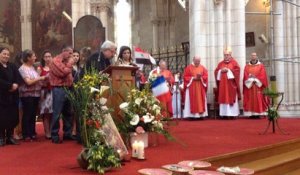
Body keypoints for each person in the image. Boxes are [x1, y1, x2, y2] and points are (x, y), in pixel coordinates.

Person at [49, 46, 75, 144]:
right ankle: (54, 135)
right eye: (70, 53)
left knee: (69, 112)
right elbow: (63, 73)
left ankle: (67, 133)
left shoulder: (67, 62)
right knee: (57, 113)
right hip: (59, 89)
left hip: (69, 88)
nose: (71, 56)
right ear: (63, 52)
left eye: (72, 53)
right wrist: (70, 64)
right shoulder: (55, 61)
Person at [19, 49, 45, 141]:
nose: (35, 58)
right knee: (27, 114)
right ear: (28, 57)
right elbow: (28, 82)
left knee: (33, 114)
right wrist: (40, 78)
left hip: (35, 94)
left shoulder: (32, 68)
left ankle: (32, 133)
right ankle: (26, 134)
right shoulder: (22, 69)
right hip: (27, 95)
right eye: (33, 56)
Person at [0, 47, 22, 146]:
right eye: (4, 54)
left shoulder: (12, 66)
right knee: (2, 117)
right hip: (1, 97)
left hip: (12, 97)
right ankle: (1, 137)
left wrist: (16, 85)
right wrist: (9, 86)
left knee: (12, 117)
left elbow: (18, 77)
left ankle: (10, 137)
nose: (6, 56)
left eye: (8, 54)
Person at [214, 48, 241, 118]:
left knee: (231, 98)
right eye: (225, 55)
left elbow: (237, 71)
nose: (226, 56)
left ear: (230, 55)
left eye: (227, 55)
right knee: (223, 97)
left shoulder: (234, 63)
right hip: (223, 86)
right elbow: (216, 71)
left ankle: (232, 115)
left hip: (231, 86)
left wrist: (228, 70)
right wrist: (220, 71)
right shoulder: (220, 63)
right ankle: (224, 115)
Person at [243, 52, 269, 118]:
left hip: (258, 86)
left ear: (256, 57)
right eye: (252, 56)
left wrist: (256, 79)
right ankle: (250, 114)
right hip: (250, 86)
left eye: (254, 56)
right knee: (250, 99)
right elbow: (245, 75)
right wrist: (251, 79)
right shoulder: (247, 66)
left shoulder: (261, 66)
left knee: (258, 99)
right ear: (250, 57)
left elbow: (263, 76)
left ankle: (258, 114)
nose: (253, 57)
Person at [37, 50, 53, 139]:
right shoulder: (40, 68)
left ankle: (52, 130)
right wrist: (43, 82)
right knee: (46, 113)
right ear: (43, 58)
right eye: (46, 57)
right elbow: (37, 81)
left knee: (53, 113)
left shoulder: (54, 67)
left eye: (49, 56)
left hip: (53, 91)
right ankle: (47, 132)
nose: (47, 58)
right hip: (45, 92)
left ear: (52, 57)